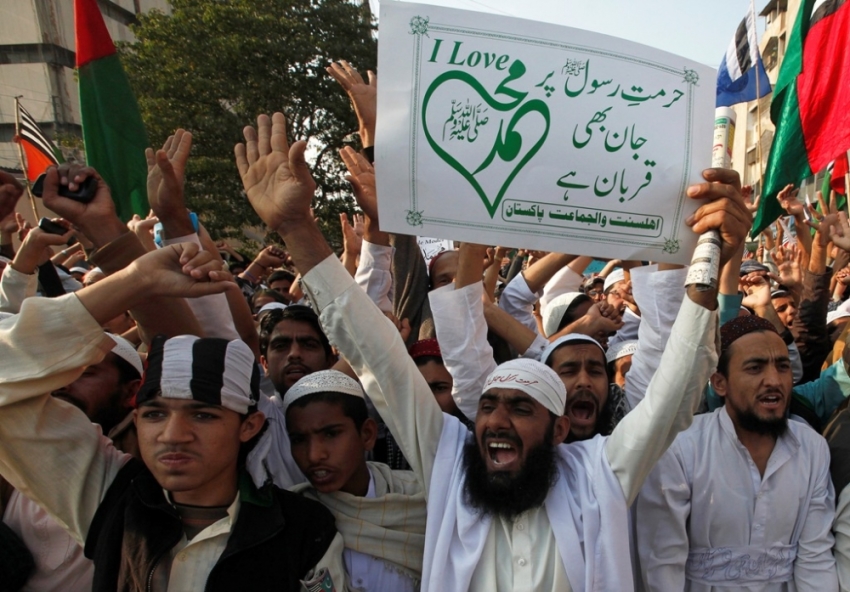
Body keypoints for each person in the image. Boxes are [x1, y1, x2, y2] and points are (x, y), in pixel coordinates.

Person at [233, 111, 749, 591]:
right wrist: (297, 229)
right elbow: (378, 356)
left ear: (560, 429)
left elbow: (674, 392)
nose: (495, 420)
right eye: (487, 406)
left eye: (521, 408)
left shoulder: (600, 472)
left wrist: (708, 261)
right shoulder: (452, 464)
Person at [0, 183, 346, 591]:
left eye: (202, 414)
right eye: (154, 414)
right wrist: (133, 280)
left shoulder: (303, 529)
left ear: (249, 426)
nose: (173, 435)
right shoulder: (109, 497)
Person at [637, 315, 838, 591]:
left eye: (782, 367)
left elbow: (815, 556)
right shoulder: (683, 448)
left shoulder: (811, 447)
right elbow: (662, 562)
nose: (773, 380)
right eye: (755, 368)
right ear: (720, 383)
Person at [2, 334, 142, 592]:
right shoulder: (13, 456)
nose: (61, 384)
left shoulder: (141, 470)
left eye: (84, 373)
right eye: (55, 372)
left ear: (131, 391)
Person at [284, 370, 426, 591]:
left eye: (330, 434)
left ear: (367, 434)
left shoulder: (420, 501)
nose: (313, 455)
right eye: (299, 439)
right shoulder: (289, 517)